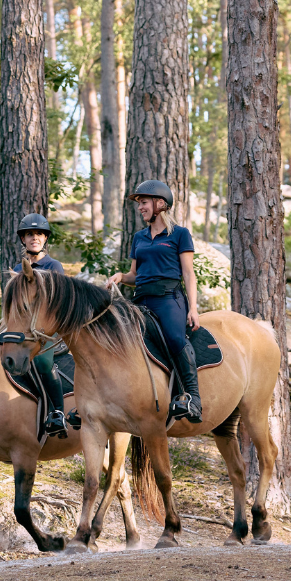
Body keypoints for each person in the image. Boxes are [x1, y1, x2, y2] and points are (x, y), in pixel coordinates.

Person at [108, 181, 202, 423]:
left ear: (160, 204)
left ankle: (192, 398)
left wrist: (193, 307)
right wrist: (121, 276)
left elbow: (189, 273)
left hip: (169, 297)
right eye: (139, 204)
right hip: (140, 300)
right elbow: (134, 275)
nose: (140, 207)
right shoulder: (139, 237)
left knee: (174, 338)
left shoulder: (179, 234)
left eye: (144, 202)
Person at [13, 213, 68, 437]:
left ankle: (57, 412)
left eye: (39, 234)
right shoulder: (17, 269)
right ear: (23, 240)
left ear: (45, 239)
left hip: (47, 330)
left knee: (44, 362)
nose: (34, 237)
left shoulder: (54, 266)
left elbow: (60, 301)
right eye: (29, 234)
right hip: (21, 329)